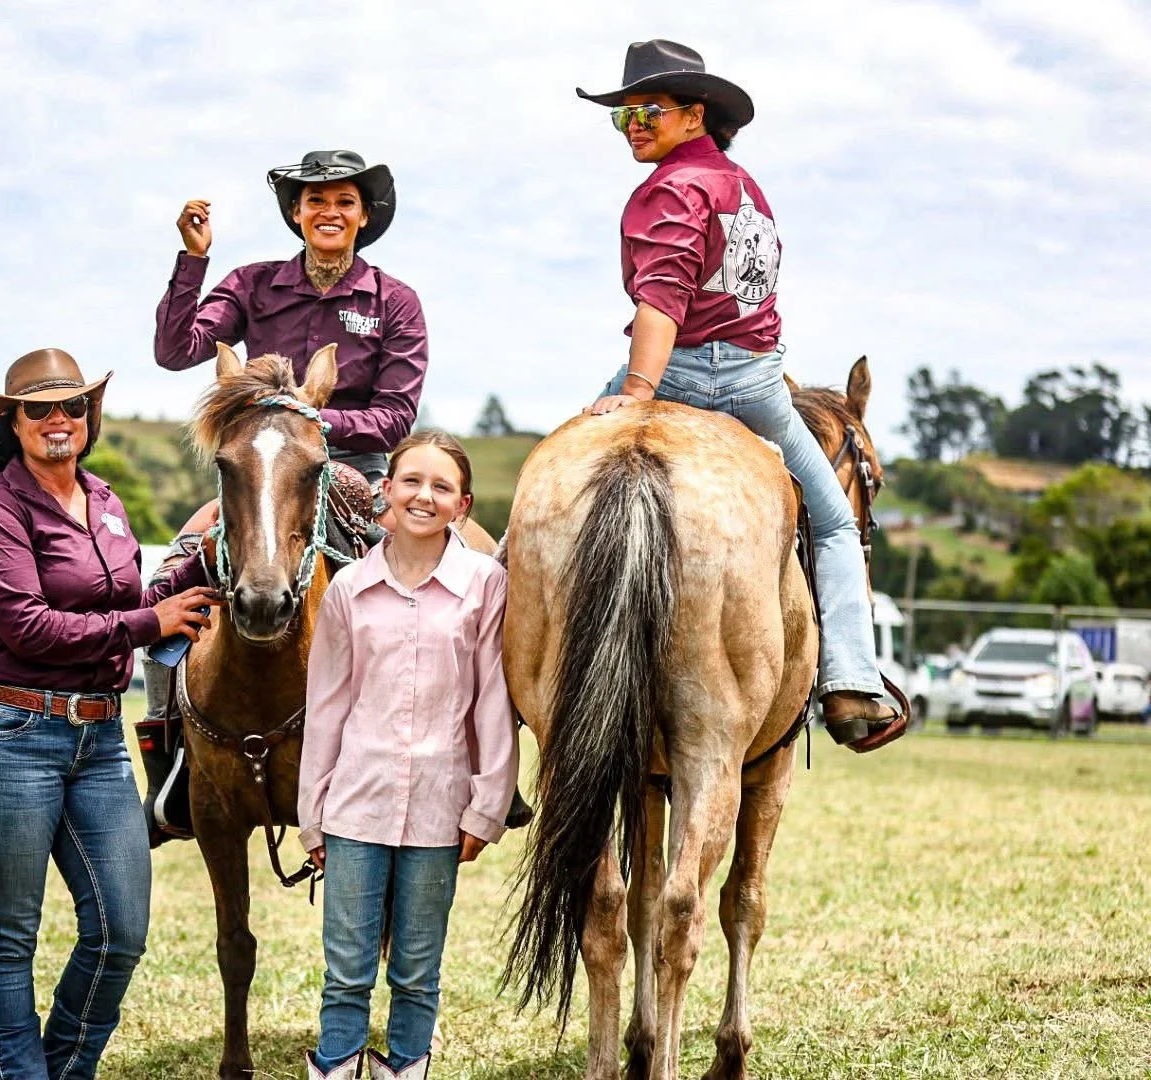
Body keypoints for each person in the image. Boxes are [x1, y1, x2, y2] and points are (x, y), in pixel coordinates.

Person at [578, 39, 900, 746]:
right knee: (838, 524)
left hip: (679, 373)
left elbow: (663, 297)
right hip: (758, 384)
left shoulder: (667, 189)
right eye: (624, 115)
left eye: (649, 110)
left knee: (547, 511)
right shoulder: (748, 189)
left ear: (695, 115)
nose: (634, 123)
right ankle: (851, 679)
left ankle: (506, 685)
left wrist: (637, 389)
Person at [0, 347, 224, 1080]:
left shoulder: (104, 499)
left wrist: (208, 560)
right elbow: (30, 627)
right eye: (40, 409)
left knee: (120, 931)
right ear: (14, 423)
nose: (59, 419)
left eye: (73, 406)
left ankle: (63, 1070)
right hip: (10, 734)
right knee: (10, 933)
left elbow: (127, 603)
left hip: (97, 737)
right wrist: (150, 624)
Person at [140, 149, 429, 844]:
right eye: (314, 200)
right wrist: (193, 261)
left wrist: (308, 426)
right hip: (256, 469)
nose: (329, 211)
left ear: (364, 216)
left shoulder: (394, 301)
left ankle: (424, 762)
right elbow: (176, 349)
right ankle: (170, 764)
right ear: (296, 213)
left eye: (345, 201)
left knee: (426, 598)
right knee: (163, 585)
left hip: (349, 465)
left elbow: (395, 415)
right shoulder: (252, 284)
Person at [298, 431, 518, 1080]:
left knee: (418, 970)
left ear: (463, 504)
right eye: (412, 481)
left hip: (438, 809)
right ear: (385, 492)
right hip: (354, 810)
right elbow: (327, 709)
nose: (425, 495)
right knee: (346, 971)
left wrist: (486, 807)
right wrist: (313, 812)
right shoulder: (348, 591)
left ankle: (405, 1069)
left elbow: (491, 703)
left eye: (442, 486)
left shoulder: (485, 584)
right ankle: (336, 1066)